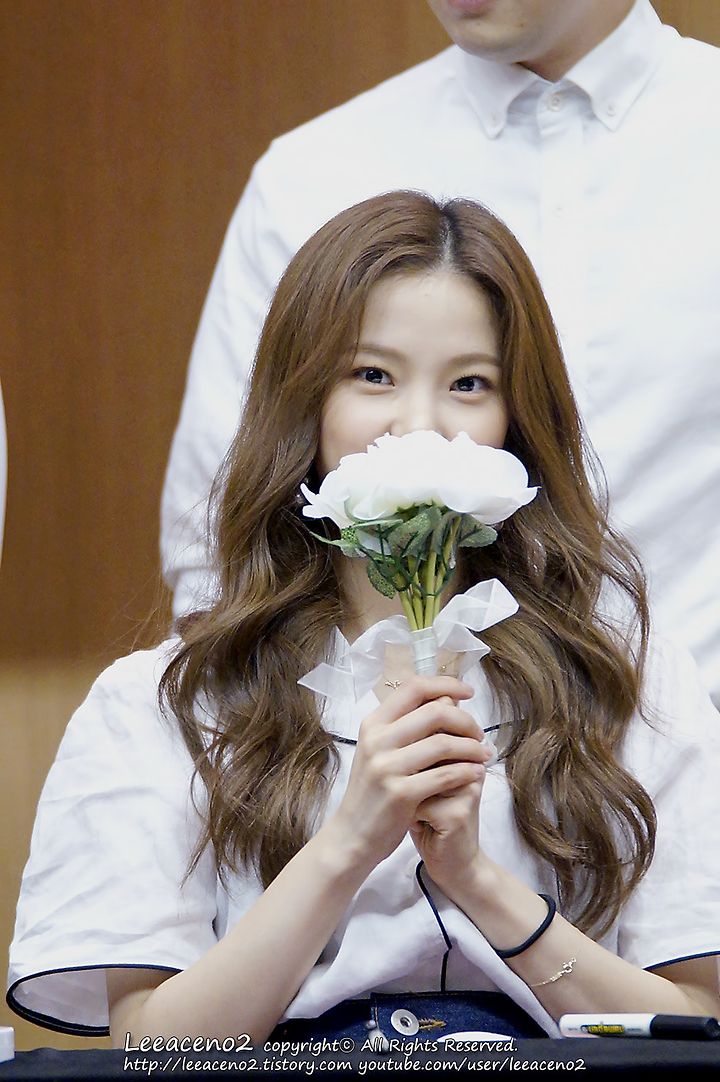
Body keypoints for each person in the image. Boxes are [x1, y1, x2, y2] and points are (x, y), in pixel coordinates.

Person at [8, 193, 720, 1044]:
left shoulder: (629, 684)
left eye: (469, 384)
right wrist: (348, 843)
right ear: (303, 400)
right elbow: (151, 1047)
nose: (419, 426)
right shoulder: (168, 701)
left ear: (517, 421)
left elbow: (698, 1021)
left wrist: (481, 885)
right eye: (373, 376)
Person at [161, 0, 720, 706]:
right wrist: (327, 762)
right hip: (355, 744)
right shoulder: (314, 174)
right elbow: (219, 550)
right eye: (373, 373)